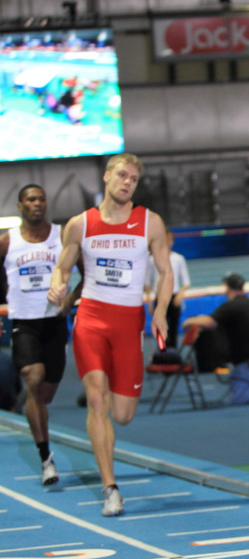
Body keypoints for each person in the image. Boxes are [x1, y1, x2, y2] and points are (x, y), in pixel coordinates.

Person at [47, 153, 173, 517]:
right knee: (97, 399)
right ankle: (110, 488)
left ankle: (110, 480)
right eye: (122, 175)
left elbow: (166, 274)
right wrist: (57, 287)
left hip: (128, 323)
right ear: (106, 177)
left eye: (133, 178)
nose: (127, 182)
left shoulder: (150, 222)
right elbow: (63, 268)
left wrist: (160, 311)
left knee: (123, 414)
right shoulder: (80, 224)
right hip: (91, 318)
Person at [0, 184, 76, 486]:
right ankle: (46, 458)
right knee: (33, 376)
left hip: (54, 323)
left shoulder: (62, 236)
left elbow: (86, 271)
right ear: (20, 206)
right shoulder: (8, 242)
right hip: (24, 322)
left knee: (45, 393)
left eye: (42, 199)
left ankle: (33, 407)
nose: (38, 204)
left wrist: (70, 300)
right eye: (31, 199)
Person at [182, 273, 249, 405]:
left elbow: (209, 321)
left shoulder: (231, 306)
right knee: (237, 385)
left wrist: (189, 320)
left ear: (228, 288)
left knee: (239, 398)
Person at [146, 230, 190, 350]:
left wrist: (180, 296)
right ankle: (162, 350)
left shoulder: (178, 259)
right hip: (158, 297)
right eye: (166, 239)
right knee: (159, 325)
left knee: (174, 326)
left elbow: (186, 282)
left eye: (170, 239)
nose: (168, 242)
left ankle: (173, 351)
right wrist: (149, 302)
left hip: (174, 296)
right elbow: (147, 282)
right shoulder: (151, 259)